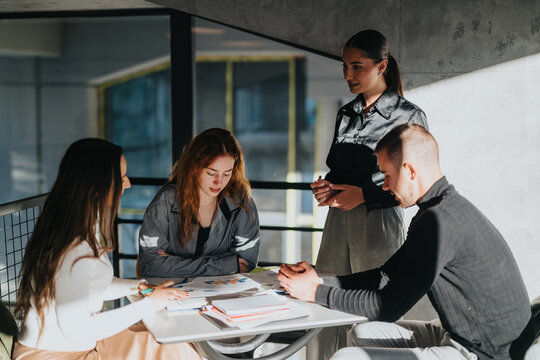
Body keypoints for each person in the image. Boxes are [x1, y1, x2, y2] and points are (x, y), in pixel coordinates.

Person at [279, 123, 531, 360]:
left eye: (387, 175)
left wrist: (315, 293)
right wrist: (319, 279)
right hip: (458, 335)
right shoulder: (437, 210)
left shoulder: (440, 222)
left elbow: (386, 308)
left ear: (410, 171)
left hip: (482, 353)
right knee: (358, 333)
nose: (384, 185)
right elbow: (385, 275)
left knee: (347, 357)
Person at [14, 138, 200, 359]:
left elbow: (92, 285)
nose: (128, 184)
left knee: (170, 343)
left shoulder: (71, 228)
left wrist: (139, 288)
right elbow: (77, 328)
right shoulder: (74, 248)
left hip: (73, 345)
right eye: (121, 178)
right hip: (56, 355)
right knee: (171, 348)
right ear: (97, 185)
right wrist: (150, 304)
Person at [309, 29, 428, 359]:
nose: (348, 75)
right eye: (344, 66)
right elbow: (340, 170)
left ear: (381, 66)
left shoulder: (409, 116)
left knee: (372, 310)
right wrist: (328, 187)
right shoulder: (345, 114)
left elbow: (415, 186)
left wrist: (364, 195)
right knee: (322, 305)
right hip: (337, 224)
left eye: (357, 66)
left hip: (378, 224)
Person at [139, 128, 260, 277]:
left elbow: (246, 265)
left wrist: (175, 263)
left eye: (227, 173)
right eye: (211, 172)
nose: (219, 182)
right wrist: (224, 265)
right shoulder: (165, 201)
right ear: (194, 167)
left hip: (225, 296)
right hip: (174, 294)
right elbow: (151, 265)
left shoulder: (241, 203)